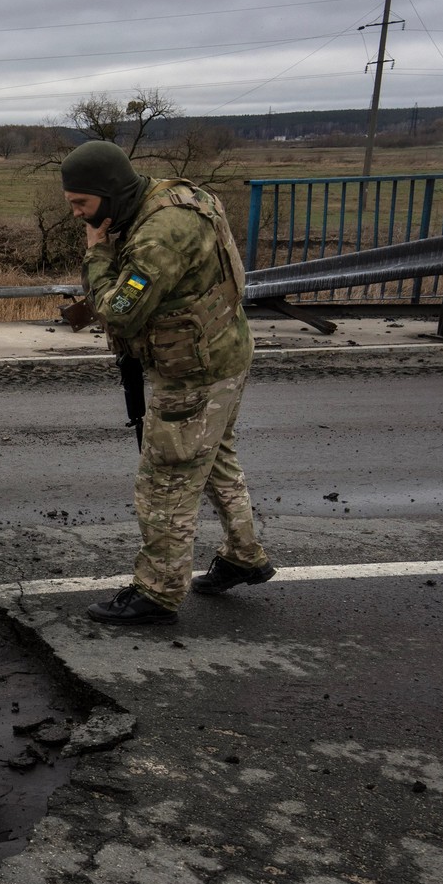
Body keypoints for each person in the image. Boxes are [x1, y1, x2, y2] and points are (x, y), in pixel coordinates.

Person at [61, 140, 276, 624]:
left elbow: (119, 311)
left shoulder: (158, 235)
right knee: (215, 458)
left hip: (195, 375)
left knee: (166, 480)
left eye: (82, 204)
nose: (77, 214)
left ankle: (157, 592)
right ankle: (245, 555)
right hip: (228, 352)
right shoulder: (179, 195)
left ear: (111, 194)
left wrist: (96, 255)